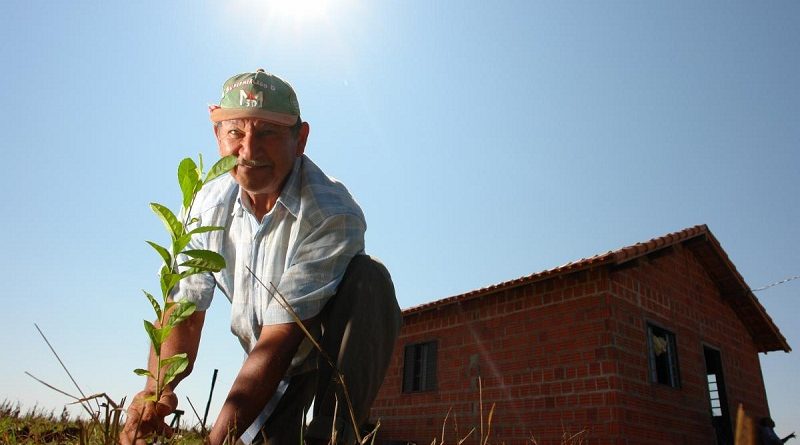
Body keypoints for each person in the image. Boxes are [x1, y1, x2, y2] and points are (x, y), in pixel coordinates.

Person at [120, 69, 402, 445]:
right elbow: (184, 312)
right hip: (264, 359)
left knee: (370, 279)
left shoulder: (331, 212)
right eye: (236, 132)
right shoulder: (206, 205)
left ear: (300, 139)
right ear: (217, 136)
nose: (249, 151)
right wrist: (157, 392)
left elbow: (281, 339)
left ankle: (334, 434)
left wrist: (215, 442)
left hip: (316, 348)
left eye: (268, 132)